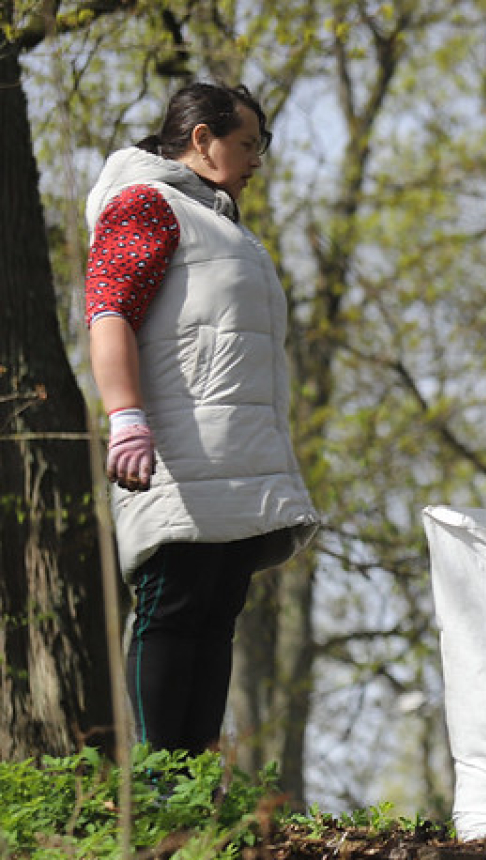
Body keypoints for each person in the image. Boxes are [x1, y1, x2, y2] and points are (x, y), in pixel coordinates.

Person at [85, 81, 320, 754]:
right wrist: (125, 416)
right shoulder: (147, 206)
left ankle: (190, 788)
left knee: (217, 617)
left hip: (234, 458)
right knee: (173, 609)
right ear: (201, 140)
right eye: (247, 145)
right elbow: (109, 313)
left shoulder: (223, 226)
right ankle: (159, 782)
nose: (255, 161)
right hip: (176, 457)